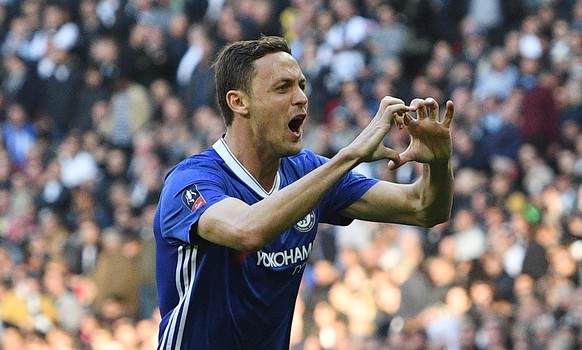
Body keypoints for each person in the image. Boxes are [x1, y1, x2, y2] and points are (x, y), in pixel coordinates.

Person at [153, 35, 455, 350]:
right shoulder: (191, 181)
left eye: (302, 85)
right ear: (238, 102)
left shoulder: (309, 172)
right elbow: (247, 229)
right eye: (282, 88)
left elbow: (425, 208)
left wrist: (439, 160)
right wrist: (349, 155)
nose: (301, 98)